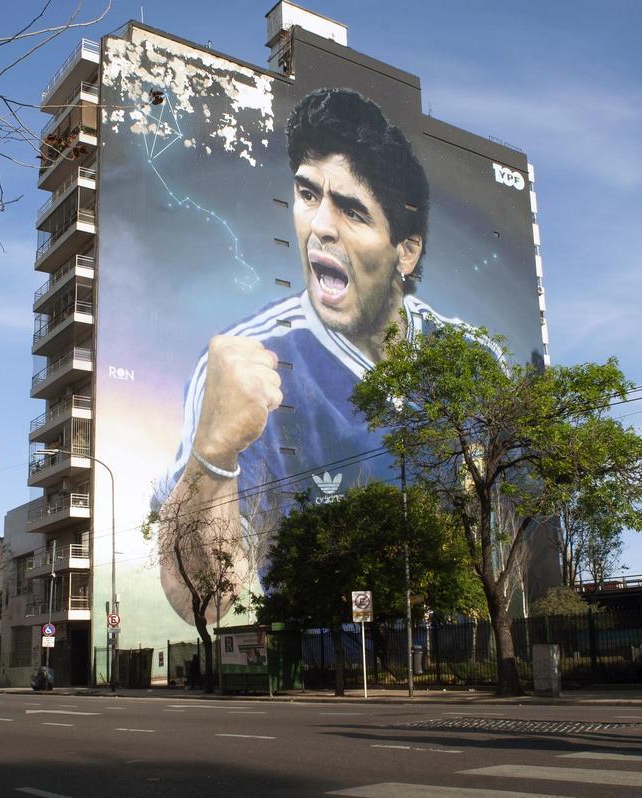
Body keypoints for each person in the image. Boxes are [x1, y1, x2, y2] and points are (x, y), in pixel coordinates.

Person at [155, 88, 495, 623]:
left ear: (406, 249)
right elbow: (203, 600)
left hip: (454, 646)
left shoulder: (474, 363)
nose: (320, 227)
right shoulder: (237, 365)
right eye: (308, 194)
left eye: (352, 211)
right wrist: (213, 456)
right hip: (310, 646)